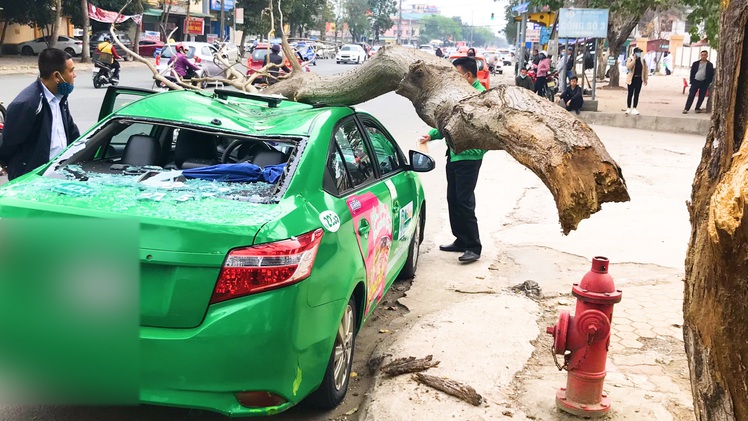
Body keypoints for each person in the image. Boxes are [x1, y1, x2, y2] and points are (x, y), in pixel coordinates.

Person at [418, 57, 486, 263]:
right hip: (455, 154)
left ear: (467, 75)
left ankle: (474, 246)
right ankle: (461, 239)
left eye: (457, 74)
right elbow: (449, 121)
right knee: (453, 199)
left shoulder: (479, 96)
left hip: (469, 155)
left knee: (464, 201)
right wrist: (432, 135)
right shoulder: (460, 94)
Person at [0, 48, 79, 181]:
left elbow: (72, 133)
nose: (74, 75)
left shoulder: (60, 97)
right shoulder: (27, 104)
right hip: (33, 181)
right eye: (71, 71)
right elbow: (9, 145)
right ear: (56, 76)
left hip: (60, 176)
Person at [625, 47, 648, 115]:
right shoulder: (630, 59)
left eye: (640, 52)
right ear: (634, 53)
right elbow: (628, 67)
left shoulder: (642, 61)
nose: (639, 54)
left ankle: (634, 108)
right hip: (631, 79)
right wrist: (634, 60)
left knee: (636, 94)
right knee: (630, 94)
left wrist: (645, 79)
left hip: (639, 79)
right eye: (638, 52)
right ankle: (628, 108)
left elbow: (645, 70)